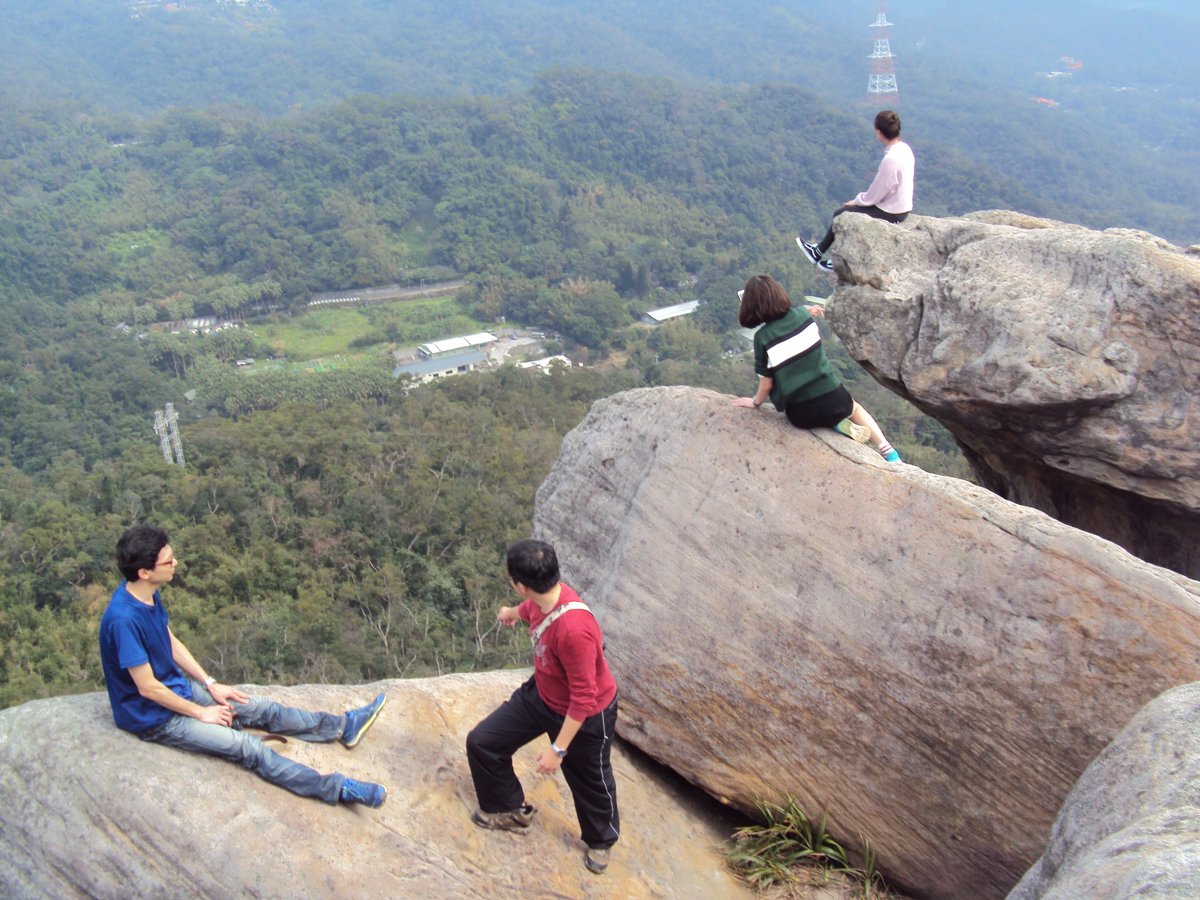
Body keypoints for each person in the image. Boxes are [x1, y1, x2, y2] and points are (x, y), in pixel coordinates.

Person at [98, 524, 388, 808]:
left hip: (178, 690)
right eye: (168, 561)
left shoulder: (146, 594)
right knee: (248, 748)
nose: (176, 563)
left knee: (261, 707)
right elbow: (147, 688)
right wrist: (202, 713)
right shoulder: (123, 619)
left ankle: (343, 727)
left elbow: (167, 639)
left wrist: (209, 683)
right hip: (154, 719)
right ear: (144, 572)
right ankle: (337, 789)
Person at [466, 539, 619, 875]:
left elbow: (584, 697)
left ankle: (600, 840)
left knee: (590, 778)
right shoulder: (544, 597)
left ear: (520, 584)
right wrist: (511, 613)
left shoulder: (573, 630)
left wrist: (558, 749)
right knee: (483, 742)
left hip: (587, 714)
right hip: (542, 696)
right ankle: (509, 809)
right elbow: (531, 609)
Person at [731, 274, 902, 463]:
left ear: (752, 308)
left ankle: (836, 423)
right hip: (835, 399)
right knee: (856, 409)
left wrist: (755, 403)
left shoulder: (762, 338)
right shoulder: (803, 316)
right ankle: (888, 451)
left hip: (801, 414)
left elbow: (766, 384)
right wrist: (807, 310)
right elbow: (798, 314)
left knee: (817, 410)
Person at [798, 109, 914, 271]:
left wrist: (857, 201)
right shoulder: (905, 149)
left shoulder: (891, 160)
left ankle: (821, 253)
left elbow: (877, 192)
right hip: (901, 207)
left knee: (842, 214)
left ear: (879, 133)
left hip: (892, 211)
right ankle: (829, 255)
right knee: (850, 213)